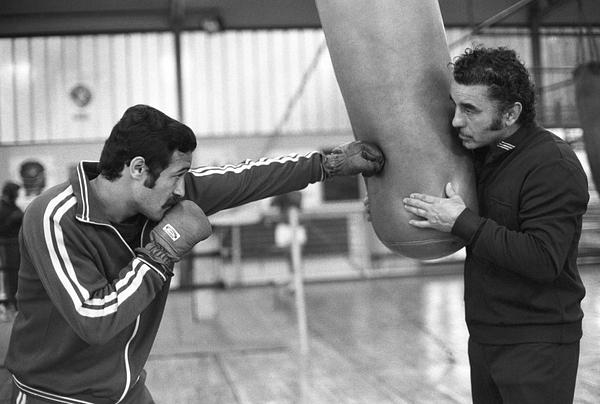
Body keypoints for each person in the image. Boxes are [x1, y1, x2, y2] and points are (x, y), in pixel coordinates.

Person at [5, 104, 384, 404]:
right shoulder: (55, 216)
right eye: (176, 174)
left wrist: (329, 165)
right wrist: (160, 252)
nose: (181, 187)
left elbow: (246, 178)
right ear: (138, 168)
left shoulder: (161, 197)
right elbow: (94, 319)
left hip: (126, 392)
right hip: (53, 396)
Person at [402, 46, 589, 403]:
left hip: (538, 343)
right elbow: (448, 208)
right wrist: (390, 207)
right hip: (486, 336)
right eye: (456, 106)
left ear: (510, 113)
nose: (456, 121)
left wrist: (462, 222)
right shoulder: (482, 156)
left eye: (470, 109)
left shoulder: (552, 164)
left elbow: (543, 259)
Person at [0, 181, 24, 310]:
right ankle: (12, 303)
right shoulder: (2, 208)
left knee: (18, 274)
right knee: (11, 276)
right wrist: (11, 220)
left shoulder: (13, 207)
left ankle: (17, 302)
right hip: (7, 246)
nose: (17, 195)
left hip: (17, 245)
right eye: (15, 193)